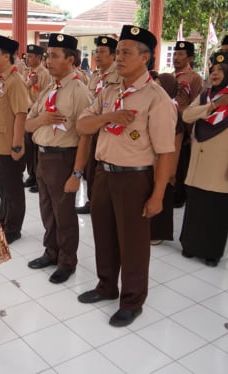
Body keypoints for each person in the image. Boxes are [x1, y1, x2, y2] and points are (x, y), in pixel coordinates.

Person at [76, 25, 177, 327]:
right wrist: (108, 117)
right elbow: (83, 126)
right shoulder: (109, 90)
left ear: (145, 57)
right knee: (103, 235)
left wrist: (158, 195)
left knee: (133, 243)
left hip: (135, 179)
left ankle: (132, 301)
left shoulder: (156, 98)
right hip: (103, 174)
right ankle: (106, 286)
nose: (119, 58)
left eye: (126, 53)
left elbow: (165, 152)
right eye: (117, 52)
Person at [25, 33, 93, 284]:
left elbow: (85, 136)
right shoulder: (49, 89)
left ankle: (67, 260)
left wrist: (77, 173)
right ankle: (51, 251)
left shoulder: (79, 92)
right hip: (42, 157)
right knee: (47, 210)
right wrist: (42, 120)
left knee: (64, 213)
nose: (48, 61)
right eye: (48, 56)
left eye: (54, 56)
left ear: (71, 59)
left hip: (64, 158)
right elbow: (29, 124)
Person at [179, 52, 228, 267]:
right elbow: (187, 115)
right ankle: (190, 245)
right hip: (200, 164)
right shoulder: (206, 95)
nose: (215, 73)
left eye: (221, 70)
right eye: (213, 69)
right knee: (196, 207)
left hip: (223, 166)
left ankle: (212, 251)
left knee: (217, 210)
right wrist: (213, 106)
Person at [0, 34, 30, 245]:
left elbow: (21, 113)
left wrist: (17, 144)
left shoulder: (15, 81)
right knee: (2, 188)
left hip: (7, 144)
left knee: (12, 189)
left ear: (7, 56)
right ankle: (3, 220)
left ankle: (13, 227)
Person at [76, 35, 120, 214]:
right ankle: (91, 200)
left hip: (108, 130)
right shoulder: (94, 75)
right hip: (91, 127)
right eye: (96, 52)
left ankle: (99, 201)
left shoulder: (119, 76)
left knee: (101, 170)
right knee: (90, 169)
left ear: (113, 55)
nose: (98, 56)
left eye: (102, 52)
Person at [150, 73, 181, 245]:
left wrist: (171, 171)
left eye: (160, 86)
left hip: (165, 164)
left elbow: (174, 146)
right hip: (150, 161)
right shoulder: (155, 108)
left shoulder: (175, 112)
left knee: (162, 196)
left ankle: (158, 233)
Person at [172, 41, 203, 209]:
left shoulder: (194, 78)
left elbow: (195, 103)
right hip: (170, 124)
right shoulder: (171, 75)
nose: (176, 57)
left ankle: (179, 195)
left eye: (180, 54)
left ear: (190, 58)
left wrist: (190, 131)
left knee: (181, 162)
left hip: (183, 126)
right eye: (175, 54)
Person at [23, 44, 51, 193]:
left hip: (37, 115)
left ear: (39, 58)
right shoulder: (26, 72)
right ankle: (31, 175)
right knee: (28, 148)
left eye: (31, 56)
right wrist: (27, 84)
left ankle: (38, 179)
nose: (28, 58)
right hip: (26, 113)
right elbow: (21, 91)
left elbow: (45, 97)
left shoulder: (45, 74)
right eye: (27, 55)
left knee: (36, 149)